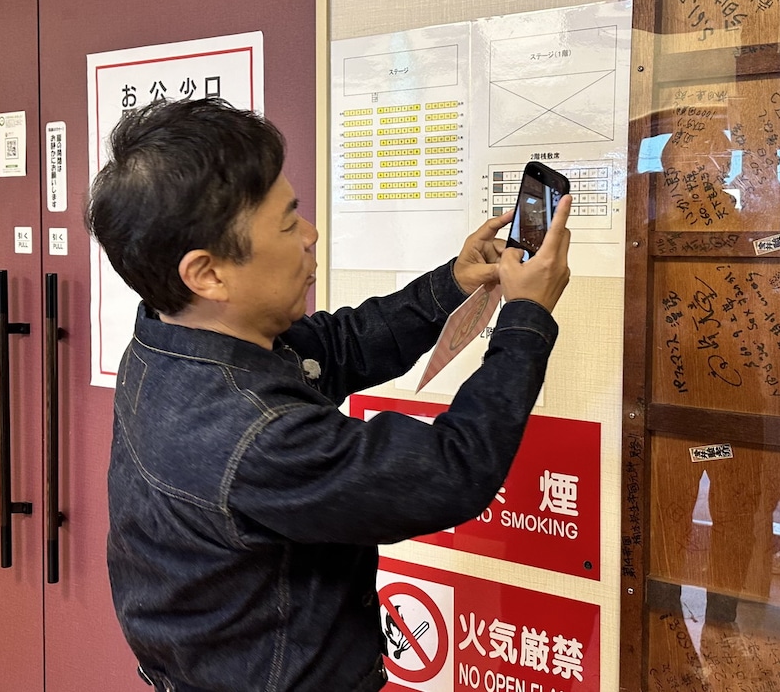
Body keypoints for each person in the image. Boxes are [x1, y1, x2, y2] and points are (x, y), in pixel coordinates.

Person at [86, 97, 572, 692]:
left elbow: (340, 346)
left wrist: (453, 283)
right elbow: (451, 471)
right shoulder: (252, 434)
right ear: (207, 274)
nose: (311, 234)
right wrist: (526, 316)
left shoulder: (167, 340)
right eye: (288, 223)